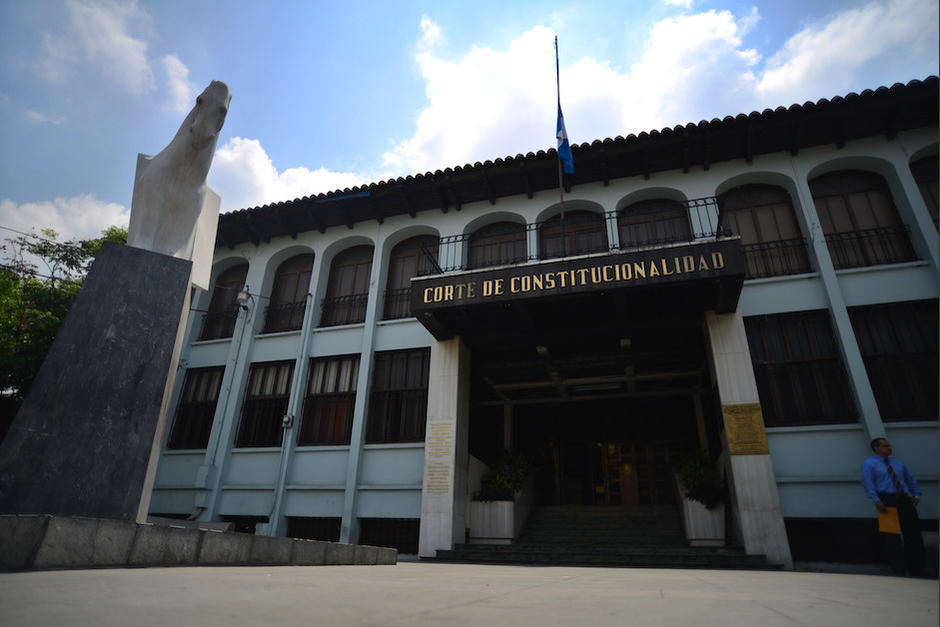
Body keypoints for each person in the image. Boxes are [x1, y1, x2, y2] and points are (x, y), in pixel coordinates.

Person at [861, 437, 925, 576]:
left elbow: (910, 478)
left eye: (889, 445)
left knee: (913, 532)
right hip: (886, 499)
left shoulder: (897, 463)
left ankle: (917, 568)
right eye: (885, 446)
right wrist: (876, 500)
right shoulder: (869, 464)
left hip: (903, 498)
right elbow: (868, 482)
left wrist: (916, 494)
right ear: (876, 448)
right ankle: (898, 569)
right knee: (891, 535)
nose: (889, 448)